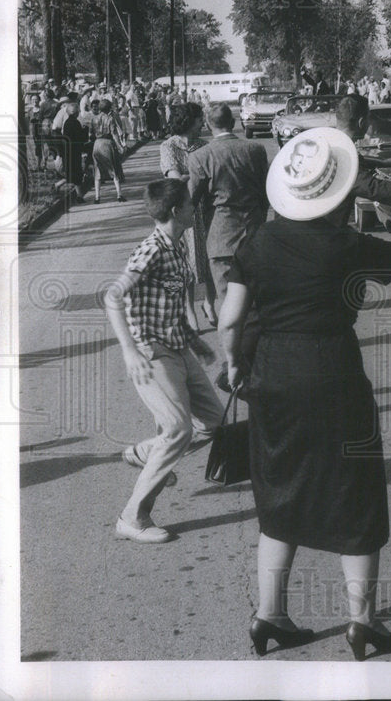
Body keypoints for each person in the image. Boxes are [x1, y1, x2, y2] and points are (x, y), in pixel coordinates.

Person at [217, 131, 391, 659]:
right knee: (355, 493)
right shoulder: (349, 247)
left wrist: (233, 363)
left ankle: (270, 615)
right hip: (334, 370)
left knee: (279, 492)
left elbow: (229, 320)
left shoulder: (256, 243)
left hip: (273, 374)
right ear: (336, 193)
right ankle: (361, 624)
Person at [104, 178, 222, 544]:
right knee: (177, 430)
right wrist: (129, 349)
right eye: (189, 203)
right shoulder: (151, 249)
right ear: (176, 211)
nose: (194, 207)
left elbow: (166, 305)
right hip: (152, 352)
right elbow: (113, 296)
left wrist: (193, 341)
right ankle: (133, 516)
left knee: (214, 424)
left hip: (177, 347)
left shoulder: (177, 245)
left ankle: (145, 453)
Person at [187, 103, 270, 315]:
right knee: (256, 299)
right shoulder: (256, 149)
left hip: (220, 236)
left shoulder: (200, 157)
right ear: (233, 123)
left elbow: (192, 199)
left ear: (207, 124)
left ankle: (233, 345)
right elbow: (265, 192)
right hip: (254, 232)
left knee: (228, 304)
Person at [160, 102, 217, 326]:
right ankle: (189, 308)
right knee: (185, 263)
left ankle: (210, 303)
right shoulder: (168, 146)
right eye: (198, 119)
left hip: (206, 208)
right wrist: (198, 177)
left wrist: (188, 177)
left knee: (210, 257)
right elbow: (174, 180)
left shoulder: (205, 145)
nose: (202, 123)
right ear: (187, 121)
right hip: (181, 212)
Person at [90, 99, 126, 203]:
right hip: (107, 143)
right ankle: (119, 195)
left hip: (97, 144)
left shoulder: (94, 119)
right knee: (114, 168)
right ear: (109, 108)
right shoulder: (110, 119)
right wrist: (120, 146)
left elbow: (91, 134)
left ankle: (97, 197)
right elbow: (114, 134)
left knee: (97, 171)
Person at [60, 101, 89, 202]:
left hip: (67, 150)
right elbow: (80, 138)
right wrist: (85, 130)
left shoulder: (66, 123)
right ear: (76, 113)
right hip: (75, 150)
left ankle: (78, 194)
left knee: (71, 173)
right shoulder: (75, 123)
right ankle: (79, 196)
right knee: (77, 173)